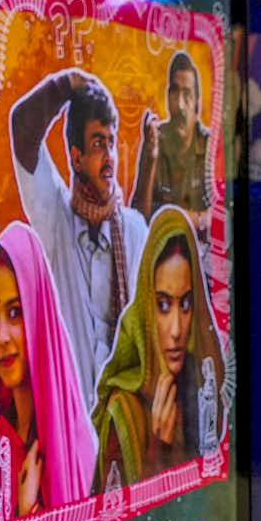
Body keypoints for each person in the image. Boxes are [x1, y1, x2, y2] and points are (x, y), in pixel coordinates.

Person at [10, 66, 148, 418]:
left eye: (112, 142)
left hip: (124, 428)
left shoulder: (133, 231)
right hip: (70, 430)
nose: (109, 159)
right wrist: (66, 83)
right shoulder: (55, 218)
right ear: (75, 156)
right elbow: (22, 128)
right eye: (98, 144)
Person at [91, 207, 224, 489]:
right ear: (146, 310)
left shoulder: (199, 380)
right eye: (163, 305)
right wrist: (157, 448)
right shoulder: (123, 412)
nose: (176, 330)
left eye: (185, 304)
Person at [0, 223, 97, 518]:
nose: (2, 336)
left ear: (39, 314)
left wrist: (29, 510)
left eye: (15, 312)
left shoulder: (77, 445)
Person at [133, 50, 215, 241]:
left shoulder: (210, 144)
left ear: (197, 104)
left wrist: (180, 220)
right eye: (174, 92)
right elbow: (137, 220)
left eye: (187, 94)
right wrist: (150, 159)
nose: (179, 104)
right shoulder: (155, 140)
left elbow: (222, 215)